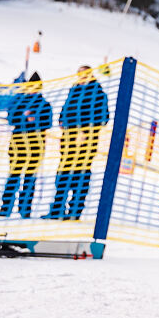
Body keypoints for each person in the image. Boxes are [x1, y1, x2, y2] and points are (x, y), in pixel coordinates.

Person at [45, 65, 110, 220]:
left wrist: (85, 132)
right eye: (80, 75)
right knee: (63, 174)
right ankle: (57, 210)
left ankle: (75, 210)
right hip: (68, 141)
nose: (82, 78)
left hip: (85, 143)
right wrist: (62, 121)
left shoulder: (98, 93)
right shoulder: (74, 90)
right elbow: (66, 110)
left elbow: (103, 118)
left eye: (84, 75)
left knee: (80, 175)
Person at [0, 72, 53, 219]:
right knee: (13, 176)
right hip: (18, 145)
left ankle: (25, 209)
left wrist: (34, 119)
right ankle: (6, 207)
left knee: (30, 178)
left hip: (36, 145)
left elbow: (48, 123)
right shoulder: (19, 101)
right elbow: (11, 118)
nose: (33, 89)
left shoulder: (45, 104)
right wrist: (23, 117)